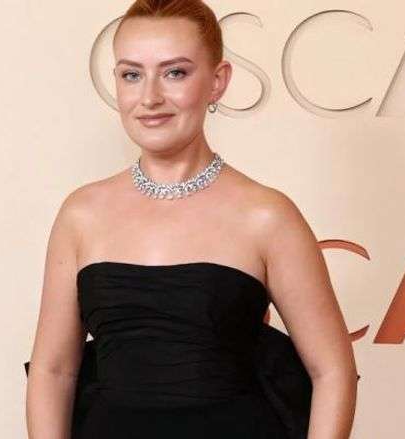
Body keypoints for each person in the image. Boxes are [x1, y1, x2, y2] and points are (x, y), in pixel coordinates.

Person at [24, 1, 358, 438]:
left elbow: (333, 371)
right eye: (131, 75)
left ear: (218, 81)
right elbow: (52, 371)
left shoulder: (267, 217)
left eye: (175, 72)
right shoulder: (81, 214)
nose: (150, 98)